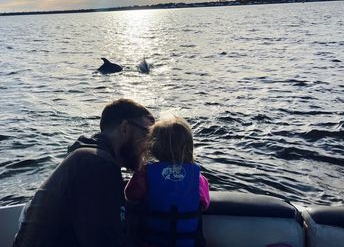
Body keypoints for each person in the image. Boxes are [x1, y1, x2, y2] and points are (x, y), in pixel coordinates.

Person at [13, 98, 155, 247]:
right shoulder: (97, 165)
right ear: (125, 128)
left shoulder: (87, 158)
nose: (150, 145)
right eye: (148, 134)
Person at [125, 116, 210, 247]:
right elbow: (205, 204)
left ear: (153, 147)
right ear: (189, 146)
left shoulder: (145, 175)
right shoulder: (199, 178)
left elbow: (130, 195)